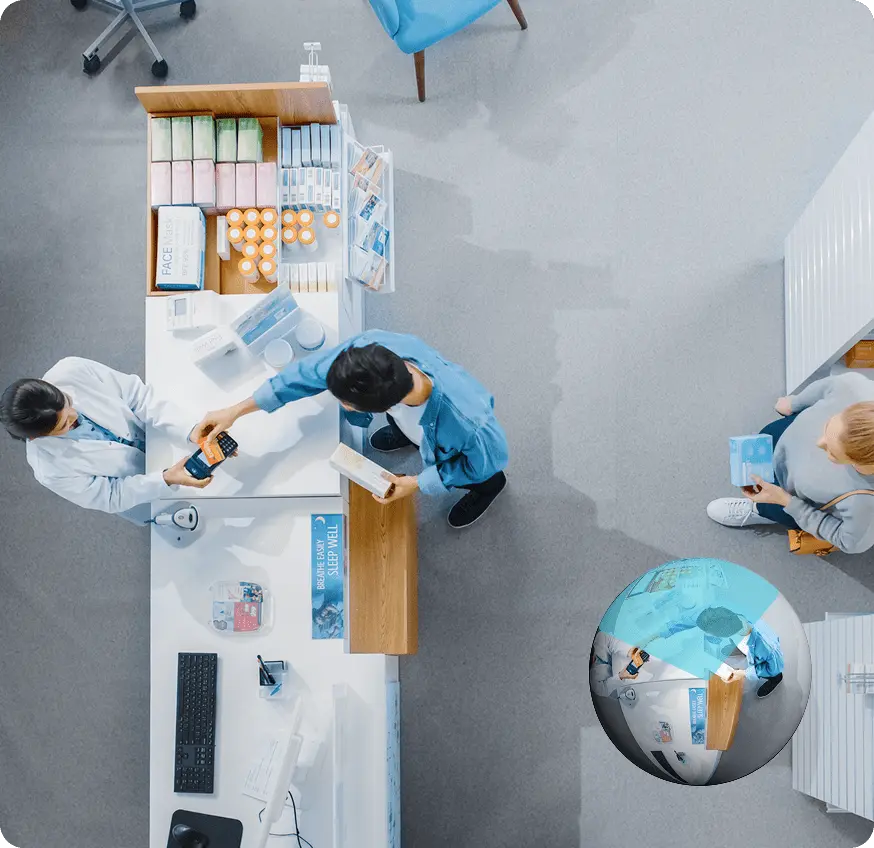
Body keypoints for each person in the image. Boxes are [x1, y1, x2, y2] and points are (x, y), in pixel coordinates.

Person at [192, 330, 509, 528]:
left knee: (484, 475)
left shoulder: (469, 423)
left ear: (381, 405)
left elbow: (487, 460)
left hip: (468, 456)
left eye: (347, 404)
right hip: (413, 420)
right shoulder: (370, 350)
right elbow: (306, 375)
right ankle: (408, 435)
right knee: (410, 429)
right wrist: (235, 411)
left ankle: (489, 490)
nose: (343, 406)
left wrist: (416, 483)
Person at [0, 357, 209, 525]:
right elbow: (112, 496)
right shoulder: (49, 469)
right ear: (37, 437)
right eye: (65, 425)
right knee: (182, 518)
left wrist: (188, 428)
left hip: (157, 435)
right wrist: (164, 480)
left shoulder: (70, 370)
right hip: (138, 489)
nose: (74, 415)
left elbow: (137, 396)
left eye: (68, 401)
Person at [707, 372, 874, 554]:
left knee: (773, 508)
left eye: (831, 451)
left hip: (790, 496)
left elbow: (849, 542)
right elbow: (832, 385)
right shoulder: (857, 388)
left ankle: (760, 511)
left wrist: (786, 502)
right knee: (764, 445)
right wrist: (795, 403)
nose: (819, 442)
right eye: (827, 426)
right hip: (784, 436)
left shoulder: (864, 503)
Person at [635, 605, 784, 698]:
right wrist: (649, 638)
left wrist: (743, 673)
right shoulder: (716, 614)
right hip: (740, 642)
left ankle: (775, 680)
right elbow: (682, 623)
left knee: (772, 672)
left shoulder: (768, 647)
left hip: (769, 661)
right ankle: (738, 652)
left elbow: (774, 666)